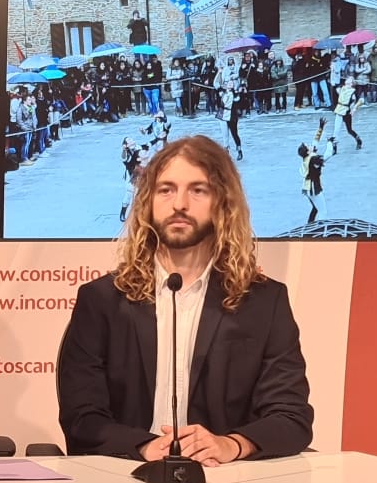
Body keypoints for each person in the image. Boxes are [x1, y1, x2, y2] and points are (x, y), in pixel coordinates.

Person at [55, 136, 313, 463]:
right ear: (147, 201)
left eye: (197, 190)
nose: (179, 204)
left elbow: (291, 417)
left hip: (224, 481)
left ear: (222, 202)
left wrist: (232, 444)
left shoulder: (264, 302)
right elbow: (81, 418)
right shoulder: (101, 301)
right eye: (166, 190)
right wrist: (144, 447)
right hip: (127, 475)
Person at [299, 126, 327, 225]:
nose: (310, 145)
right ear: (308, 151)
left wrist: (320, 128)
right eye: (308, 146)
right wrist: (330, 144)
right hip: (313, 188)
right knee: (323, 211)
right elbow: (327, 156)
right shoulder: (313, 159)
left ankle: (309, 226)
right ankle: (320, 229)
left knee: (315, 208)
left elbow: (315, 142)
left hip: (307, 187)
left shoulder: (308, 157)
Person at [334, 77, 363, 150]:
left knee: (349, 130)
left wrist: (354, 109)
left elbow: (361, 100)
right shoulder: (341, 88)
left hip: (347, 112)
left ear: (351, 84)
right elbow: (335, 84)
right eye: (347, 79)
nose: (347, 80)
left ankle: (358, 140)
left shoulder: (353, 92)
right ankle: (334, 147)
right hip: (339, 110)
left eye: (349, 80)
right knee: (336, 130)